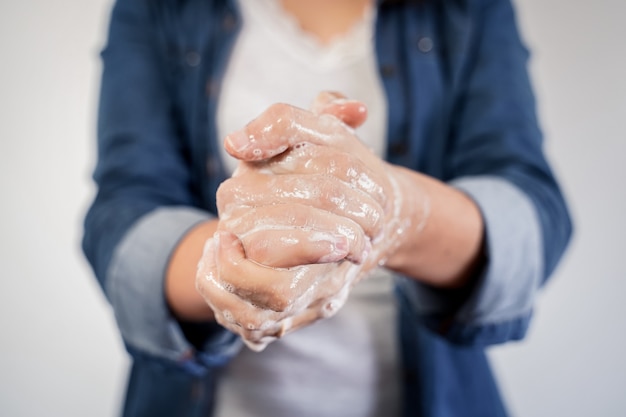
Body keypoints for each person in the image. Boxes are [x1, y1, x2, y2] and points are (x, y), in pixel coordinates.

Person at [82, 0, 572, 416]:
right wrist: (237, 264)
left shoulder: (467, 9)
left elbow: (532, 211)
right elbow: (124, 208)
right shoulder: (157, 8)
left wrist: (397, 211)